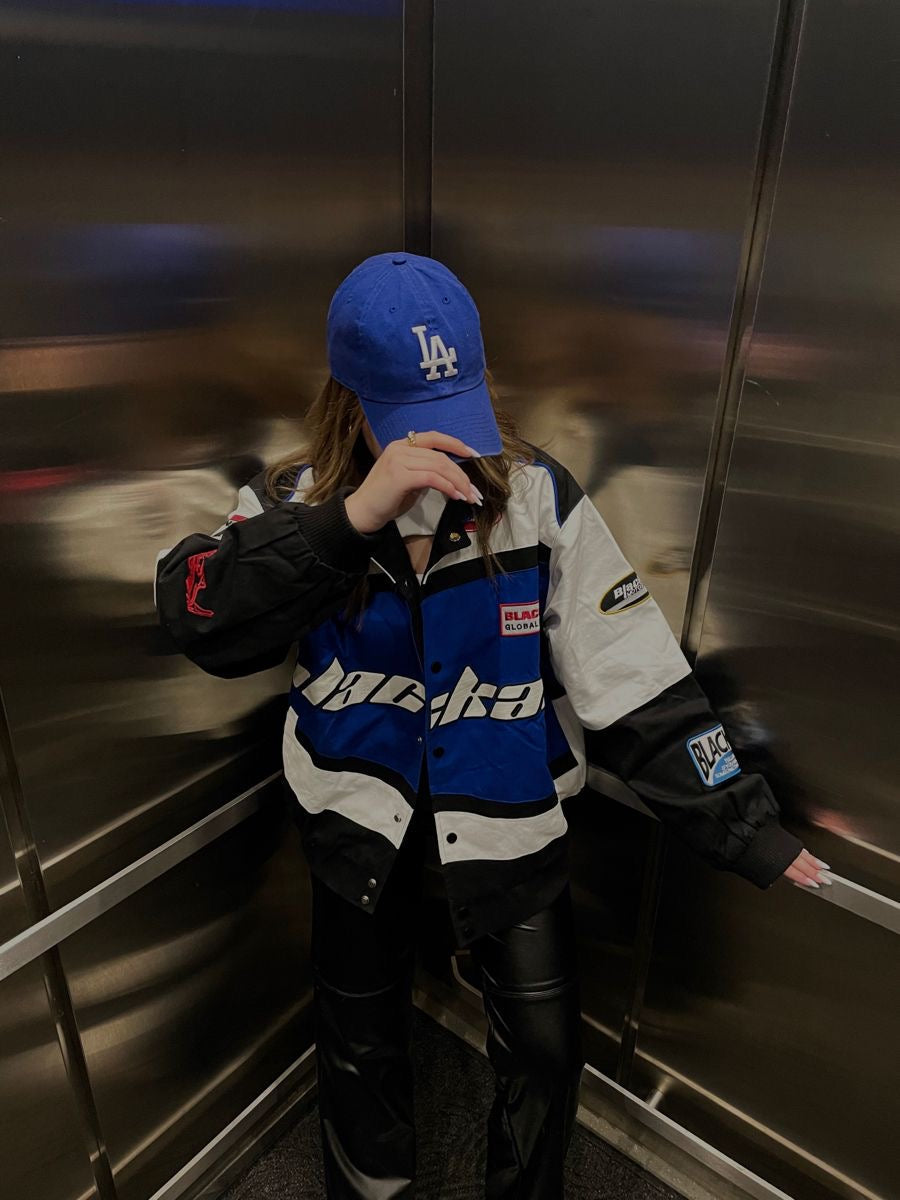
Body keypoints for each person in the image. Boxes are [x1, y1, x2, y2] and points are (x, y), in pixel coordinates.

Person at [154, 251, 830, 1200]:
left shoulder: (537, 498)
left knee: (547, 1051)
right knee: (357, 1043)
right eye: (409, 418)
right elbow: (200, 616)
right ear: (351, 401)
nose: (442, 443)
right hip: (357, 821)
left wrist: (745, 821)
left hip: (509, 816)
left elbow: (635, 674)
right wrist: (352, 520)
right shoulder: (288, 505)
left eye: (454, 407)